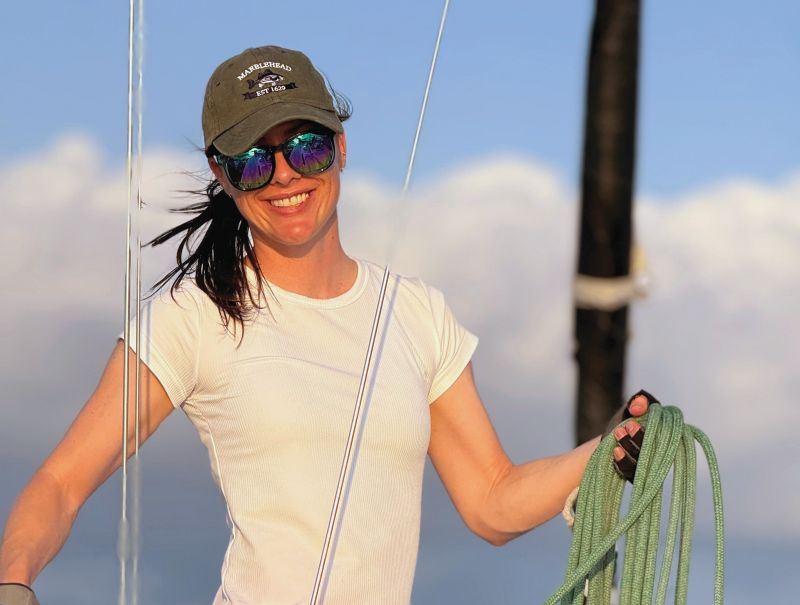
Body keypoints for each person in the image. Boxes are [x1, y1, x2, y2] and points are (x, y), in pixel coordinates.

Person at [0, 46, 650, 605]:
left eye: (304, 147)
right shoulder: (192, 317)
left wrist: (603, 450)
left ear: (339, 147)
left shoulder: (420, 314)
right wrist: (13, 582)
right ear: (221, 177)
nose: (284, 175)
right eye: (253, 160)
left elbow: (492, 501)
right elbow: (60, 481)